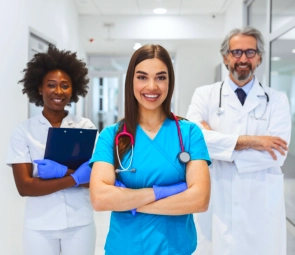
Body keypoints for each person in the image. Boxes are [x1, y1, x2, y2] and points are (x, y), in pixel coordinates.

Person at [89, 44, 211, 255]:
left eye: (161, 77)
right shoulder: (112, 136)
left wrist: (131, 202)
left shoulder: (189, 133)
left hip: (175, 248)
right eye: (142, 77)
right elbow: (100, 198)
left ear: (170, 82)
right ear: (131, 81)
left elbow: (200, 199)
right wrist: (161, 192)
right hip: (125, 248)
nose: (152, 86)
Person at [186, 26, 291, 255]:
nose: (243, 59)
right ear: (226, 57)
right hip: (217, 198)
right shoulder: (204, 95)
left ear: (259, 57)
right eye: (236, 52)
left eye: (250, 52)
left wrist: (218, 146)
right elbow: (193, 141)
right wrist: (252, 141)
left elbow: (277, 154)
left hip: (260, 204)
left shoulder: (277, 100)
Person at [6, 45, 96, 255]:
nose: (58, 91)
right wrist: (73, 178)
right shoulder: (24, 131)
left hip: (79, 223)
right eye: (51, 85)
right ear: (39, 88)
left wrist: (64, 173)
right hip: (39, 226)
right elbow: (25, 187)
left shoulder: (86, 128)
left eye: (65, 85)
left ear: (73, 90)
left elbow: (94, 180)